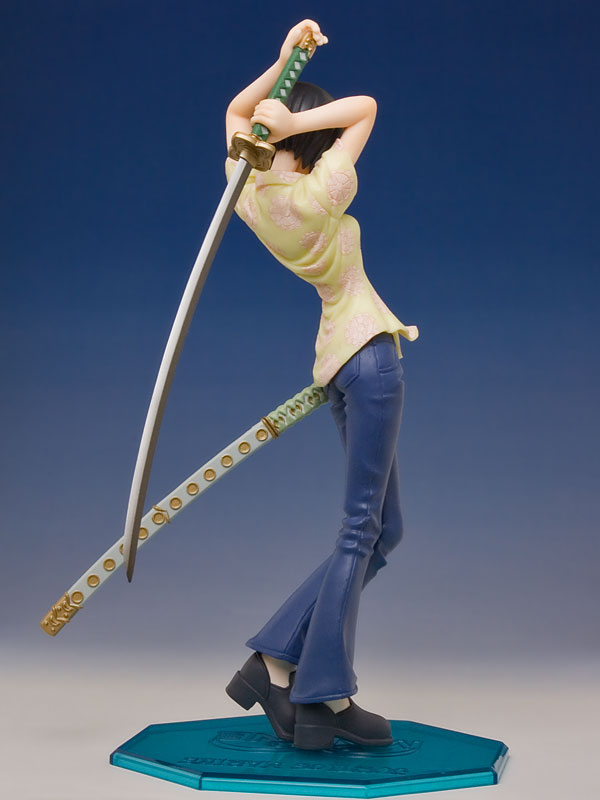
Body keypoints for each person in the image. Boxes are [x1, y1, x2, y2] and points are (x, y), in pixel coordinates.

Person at [223, 20, 419, 750]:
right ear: (309, 141)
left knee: (383, 529)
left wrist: (281, 63)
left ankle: (274, 659)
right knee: (361, 530)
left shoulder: (249, 190)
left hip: (337, 361)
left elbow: (236, 114)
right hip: (368, 356)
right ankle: (321, 693)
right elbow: (366, 107)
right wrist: (296, 118)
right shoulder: (317, 195)